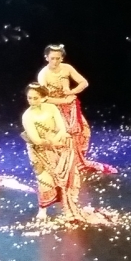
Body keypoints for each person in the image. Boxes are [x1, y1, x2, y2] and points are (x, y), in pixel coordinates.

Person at [21, 83, 111, 224]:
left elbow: (62, 128)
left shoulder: (51, 108)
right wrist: (52, 143)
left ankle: (69, 204)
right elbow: (36, 140)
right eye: (29, 98)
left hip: (60, 145)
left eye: (35, 98)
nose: (31, 101)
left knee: (69, 177)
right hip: (40, 151)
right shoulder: (27, 116)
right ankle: (42, 209)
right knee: (45, 180)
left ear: (44, 98)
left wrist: (56, 141)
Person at [37, 44, 117, 174]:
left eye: (58, 58)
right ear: (46, 58)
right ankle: (65, 162)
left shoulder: (67, 68)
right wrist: (63, 100)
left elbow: (84, 83)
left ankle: (77, 160)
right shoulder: (43, 74)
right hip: (54, 108)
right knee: (65, 135)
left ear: (62, 58)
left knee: (82, 131)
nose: (55, 61)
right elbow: (42, 98)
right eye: (52, 58)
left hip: (71, 107)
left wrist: (70, 92)